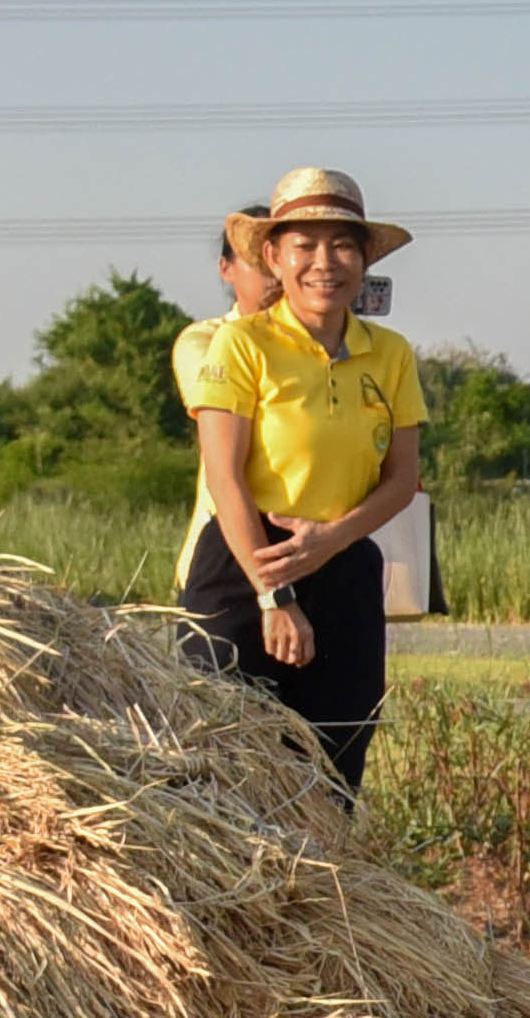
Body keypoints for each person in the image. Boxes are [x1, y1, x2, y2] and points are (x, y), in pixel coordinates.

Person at [182, 170, 429, 793]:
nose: (325, 263)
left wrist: (328, 542)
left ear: (365, 258)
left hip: (344, 565)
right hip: (243, 567)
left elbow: (402, 481)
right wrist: (276, 596)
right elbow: (225, 476)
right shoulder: (241, 344)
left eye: (343, 246)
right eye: (304, 246)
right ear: (272, 256)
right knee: (221, 764)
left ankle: (320, 891)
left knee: (332, 765)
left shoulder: (391, 353)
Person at [168, 206, 278, 592]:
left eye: (280, 256)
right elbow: (228, 406)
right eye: (257, 260)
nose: (273, 273)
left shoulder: (341, 346)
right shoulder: (203, 340)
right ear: (226, 269)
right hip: (223, 553)